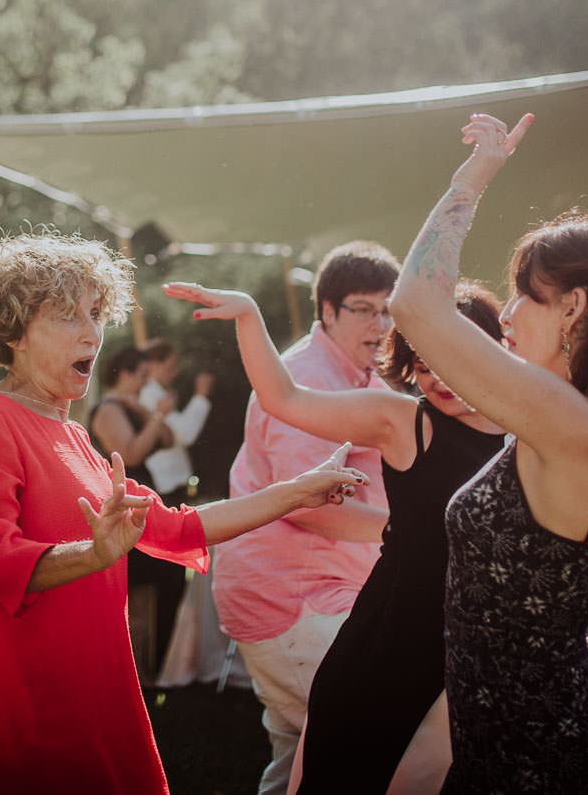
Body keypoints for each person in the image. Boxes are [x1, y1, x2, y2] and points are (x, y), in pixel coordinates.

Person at [0, 230, 368, 794]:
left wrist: (297, 490)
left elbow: (179, 527)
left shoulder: (75, 436)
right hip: (27, 696)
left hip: (98, 683)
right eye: (67, 316)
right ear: (13, 330)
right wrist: (94, 553)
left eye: (95, 313)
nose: (92, 332)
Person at [389, 112, 588, 793]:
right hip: (544, 736)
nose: (504, 316)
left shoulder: (571, 423)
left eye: (523, 297)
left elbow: (412, 302)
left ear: (573, 309)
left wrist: (470, 182)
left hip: (535, 763)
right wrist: (561, 659)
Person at [165, 279, 508, 794]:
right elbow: (284, 398)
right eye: (421, 363)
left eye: (449, 358)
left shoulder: (522, 431)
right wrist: (250, 316)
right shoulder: (403, 418)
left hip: (461, 643)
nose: (436, 377)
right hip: (384, 643)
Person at [212, 240, 401, 795]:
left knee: (302, 754)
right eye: (365, 309)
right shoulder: (308, 376)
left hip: (322, 591)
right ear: (328, 311)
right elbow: (312, 507)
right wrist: (415, 534)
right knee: (364, 742)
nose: (380, 323)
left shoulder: (364, 376)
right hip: (293, 596)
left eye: (389, 310)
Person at [88, 345, 184, 677]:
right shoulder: (108, 409)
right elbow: (129, 454)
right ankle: (137, 669)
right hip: (124, 510)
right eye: (142, 376)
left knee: (169, 581)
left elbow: (170, 440)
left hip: (144, 506)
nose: (146, 383)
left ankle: (158, 666)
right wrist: (156, 415)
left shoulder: (135, 407)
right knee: (142, 588)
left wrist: (150, 414)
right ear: (125, 374)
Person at [139, 337, 215, 502]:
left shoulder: (154, 392)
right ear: (153, 365)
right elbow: (185, 434)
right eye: (170, 367)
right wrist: (201, 396)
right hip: (167, 486)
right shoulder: (150, 394)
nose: (175, 373)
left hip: (169, 483)